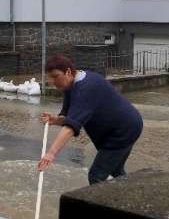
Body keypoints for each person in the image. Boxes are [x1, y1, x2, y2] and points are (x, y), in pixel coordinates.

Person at [37, 55, 143, 185]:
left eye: (55, 76)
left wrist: (51, 154)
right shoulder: (71, 86)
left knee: (96, 176)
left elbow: (70, 127)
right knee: (116, 170)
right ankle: (129, 196)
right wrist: (55, 120)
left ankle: (108, 203)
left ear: (68, 72)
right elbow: (70, 118)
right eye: (50, 77)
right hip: (120, 128)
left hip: (123, 131)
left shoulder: (84, 88)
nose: (53, 81)